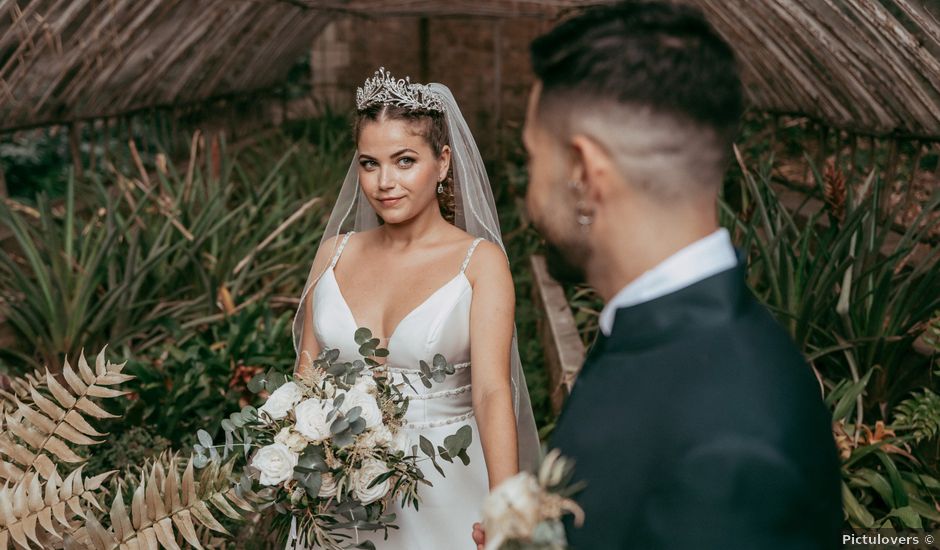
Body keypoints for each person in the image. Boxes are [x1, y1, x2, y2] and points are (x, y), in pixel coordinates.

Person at [475, 2, 841, 548]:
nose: (529, 196)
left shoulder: (733, 447)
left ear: (582, 173)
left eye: (532, 160)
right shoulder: (658, 335)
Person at [292, 68, 540, 549]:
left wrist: (506, 504)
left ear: (443, 162)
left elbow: (492, 391)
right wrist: (295, 454)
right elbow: (307, 374)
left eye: (405, 161)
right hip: (339, 495)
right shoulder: (334, 253)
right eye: (369, 164)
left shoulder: (480, 264)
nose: (385, 182)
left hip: (445, 484)